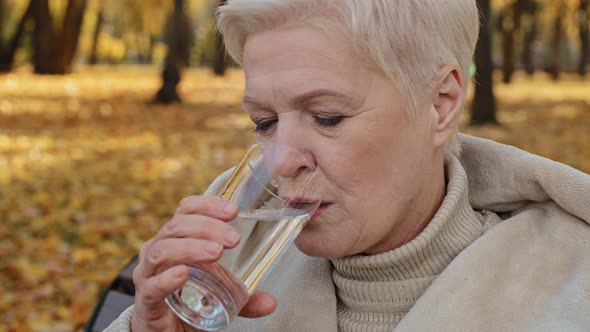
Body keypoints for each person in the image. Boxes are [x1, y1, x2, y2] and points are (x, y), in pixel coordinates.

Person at [106, 0, 590, 331]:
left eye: (327, 117)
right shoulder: (219, 263)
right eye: (264, 121)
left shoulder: (573, 290)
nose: (281, 161)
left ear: (441, 104)